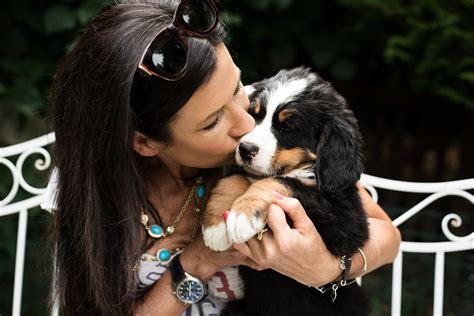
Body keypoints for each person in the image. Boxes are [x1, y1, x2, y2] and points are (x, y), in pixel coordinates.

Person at [46, 1, 401, 315]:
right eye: (214, 121)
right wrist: (196, 262)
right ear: (145, 143)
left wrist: (327, 269)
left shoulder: (267, 132)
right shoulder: (89, 186)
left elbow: (387, 236)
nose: (247, 124)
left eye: (238, 89)